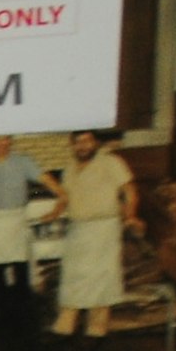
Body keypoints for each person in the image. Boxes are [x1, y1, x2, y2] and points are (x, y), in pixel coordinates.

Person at [53, 128, 142, 338]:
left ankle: (96, 330)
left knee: (102, 279)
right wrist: (55, 211)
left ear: (95, 143)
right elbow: (66, 199)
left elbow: (130, 192)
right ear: (72, 145)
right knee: (72, 276)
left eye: (86, 141)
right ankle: (65, 329)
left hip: (104, 228)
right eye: (78, 142)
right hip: (78, 229)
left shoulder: (111, 162)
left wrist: (130, 216)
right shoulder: (70, 168)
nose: (82, 146)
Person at [0, 133, 45, 333]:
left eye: (4, 139)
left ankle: (23, 321)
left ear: (10, 141)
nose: (0, 144)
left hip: (15, 220)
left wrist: (61, 200)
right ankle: (0, 321)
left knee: (20, 269)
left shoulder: (24, 162)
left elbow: (48, 181)